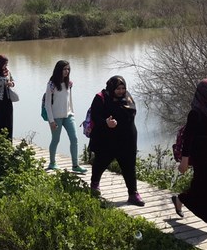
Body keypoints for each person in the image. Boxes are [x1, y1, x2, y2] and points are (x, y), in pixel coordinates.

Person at [172, 79, 207, 238]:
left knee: (199, 186)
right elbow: (188, 138)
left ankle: (180, 199)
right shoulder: (195, 112)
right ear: (203, 93)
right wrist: (184, 160)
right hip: (199, 154)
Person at [88, 76, 145, 206]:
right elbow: (95, 116)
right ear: (111, 87)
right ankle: (94, 184)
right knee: (101, 162)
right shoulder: (101, 97)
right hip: (107, 139)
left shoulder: (128, 98)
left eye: (123, 88)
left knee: (129, 166)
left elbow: (130, 113)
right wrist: (106, 122)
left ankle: (133, 194)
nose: (121, 91)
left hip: (127, 138)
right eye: (118, 88)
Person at [45, 60, 87, 173]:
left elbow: (69, 100)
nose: (67, 71)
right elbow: (47, 104)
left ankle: (75, 165)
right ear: (59, 70)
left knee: (74, 139)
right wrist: (51, 120)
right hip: (56, 117)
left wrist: (72, 113)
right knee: (55, 140)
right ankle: (52, 163)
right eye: (64, 69)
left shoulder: (69, 83)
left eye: (68, 69)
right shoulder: (51, 84)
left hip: (68, 115)